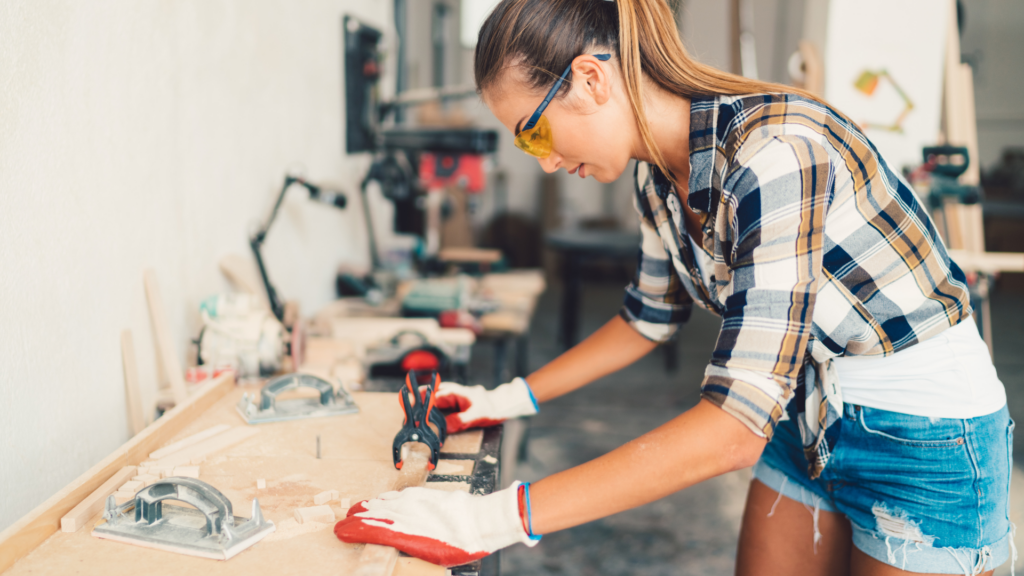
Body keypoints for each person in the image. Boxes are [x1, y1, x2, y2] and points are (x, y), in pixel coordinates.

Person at [334, 1, 1014, 574]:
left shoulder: (774, 153)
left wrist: (490, 516)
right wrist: (506, 397)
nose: (544, 163)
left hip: (925, 435)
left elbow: (732, 429)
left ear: (592, 80)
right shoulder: (656, 174)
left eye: (534, 134)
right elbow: (646, 317)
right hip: (804, 407)